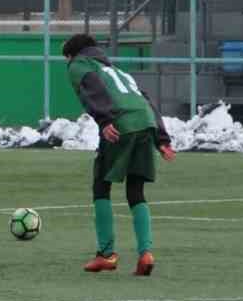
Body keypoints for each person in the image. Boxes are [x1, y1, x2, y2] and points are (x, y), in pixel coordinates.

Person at [62, 33, 176, 276]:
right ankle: (146, 253)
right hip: (145, 123)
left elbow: (91, 88)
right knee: (136, 190)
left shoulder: (79, 65)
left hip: (120, 123)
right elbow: (146, 101)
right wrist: (162, 138)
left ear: (72, 54)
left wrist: (105, 120)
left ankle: (106, 254)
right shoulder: (118, 72)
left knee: (101, 185)